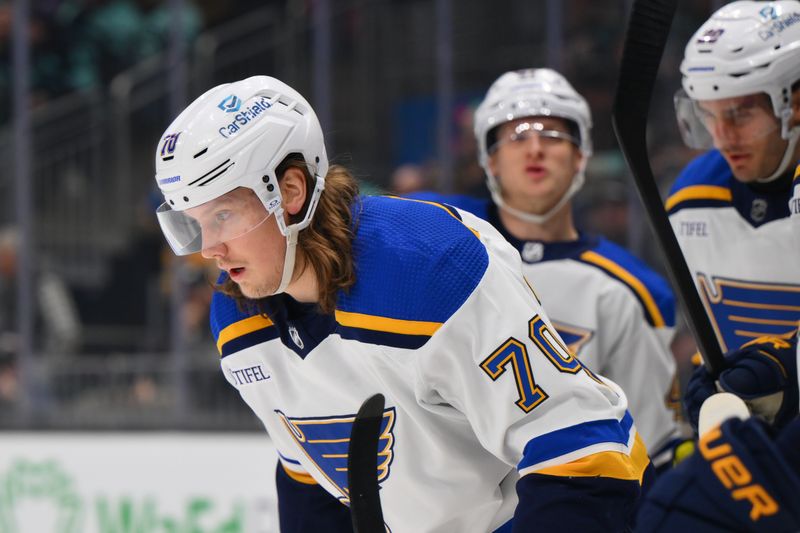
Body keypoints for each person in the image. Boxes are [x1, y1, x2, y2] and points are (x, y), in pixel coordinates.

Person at [153, 75, 652, 532]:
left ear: (290, 192)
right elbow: (311, 480)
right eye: (193, 223)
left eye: (222, 215)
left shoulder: (430, 265)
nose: (208, 249)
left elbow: (583, 447)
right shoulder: (237, 313)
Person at [410, 68, 684, 470]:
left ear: (581, 156)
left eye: (554, 135)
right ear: (491, 159)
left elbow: (650, 447)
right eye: (516, 136)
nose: (535, 148)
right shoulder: (435, 242)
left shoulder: (632, 291)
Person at [667, 0, 800, 355]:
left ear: (795, 104)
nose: (721, 137)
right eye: (708, 115)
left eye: (740, 114)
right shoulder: (691, 195)